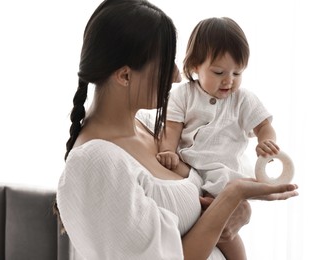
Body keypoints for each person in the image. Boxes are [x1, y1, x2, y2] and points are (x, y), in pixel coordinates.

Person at [54, 1, 299, 259]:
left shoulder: (152, 130)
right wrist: (233, 194)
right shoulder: (95, 163)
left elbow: (204, 194)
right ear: (125, 76)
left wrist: (239, 210)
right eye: (166, 64)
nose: (177, 77)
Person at [156, 17, 281, 259]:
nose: (229, 80)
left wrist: (267, 141)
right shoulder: (183, 95)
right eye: (219, 72)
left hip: (224, 179)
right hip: (190, 175)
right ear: (195, 67)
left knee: (227, 235)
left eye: (237, 72)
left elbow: (264, 126)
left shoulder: (243, 100)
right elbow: (171, 129)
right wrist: (169, 151)